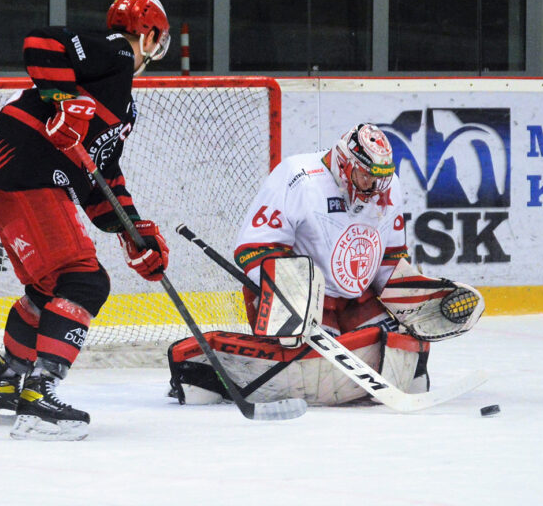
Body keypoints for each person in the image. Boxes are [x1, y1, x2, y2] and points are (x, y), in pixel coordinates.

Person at [0, 0, 172, 440]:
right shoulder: (117, 51)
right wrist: (64, 100)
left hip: (5, 171)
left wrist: (132, 230)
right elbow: (41, 41)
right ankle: (39, 400)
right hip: (26, 166)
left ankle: (5, 386)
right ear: (151, 35)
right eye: (157, 43)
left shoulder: (120, 101)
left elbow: (100, 172)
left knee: (50, 288)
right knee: (84, 281)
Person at [166, 123, 484, 406]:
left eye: (382, 178)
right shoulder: (298, 177)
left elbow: (390, 257)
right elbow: (252, 248)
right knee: (310, 367)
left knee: (402, 354)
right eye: (367, 176)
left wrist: (414, 296)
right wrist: (291, 294)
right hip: (303, 300)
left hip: (357, 299)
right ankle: (205, 369)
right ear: (345, 166)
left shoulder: (388, 187)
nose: (377, 187)